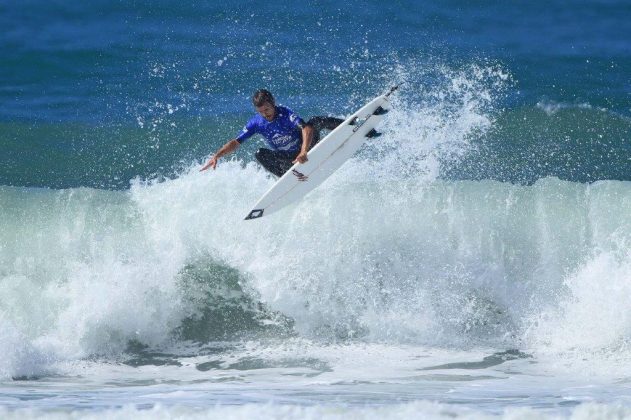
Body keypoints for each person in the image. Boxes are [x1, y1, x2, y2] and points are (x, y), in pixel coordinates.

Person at [200, 89, 343, 177]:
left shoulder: (284, 113)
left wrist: (304, 151)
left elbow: (306, 128)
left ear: (273, 103)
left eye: (267, 109)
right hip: (288, 157)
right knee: (259, 153)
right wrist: (217, 155)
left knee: (315, 121)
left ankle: (350, 125)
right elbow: (236, 142)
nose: (265, 114)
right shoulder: (256, 123)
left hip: (304, 146)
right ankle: (288, 177)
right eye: (261, 112)